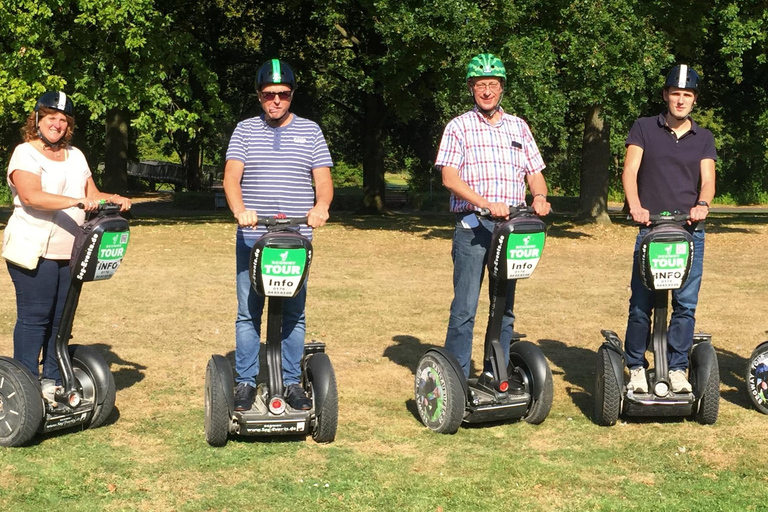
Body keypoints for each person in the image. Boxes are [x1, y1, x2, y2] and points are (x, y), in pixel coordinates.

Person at [3, 91, 131, 402]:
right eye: (51, 118)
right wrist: (74, 201)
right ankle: (26, 386)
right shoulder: (25, 153)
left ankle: (53, 379)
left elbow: (93, 192)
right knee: (36, 317)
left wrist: (113, 199)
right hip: (34, 249)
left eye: (63, 120)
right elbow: (32, 196)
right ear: (37, 119)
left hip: (71, 250)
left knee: (62, 318)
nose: (57, 124)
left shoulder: (75, 155)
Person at [223, 59, 334, 412]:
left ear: (291, 95)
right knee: (248, 313)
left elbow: (324, 182)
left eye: (283, 94)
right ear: (259, 97)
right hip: (253, 239)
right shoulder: (244, 130)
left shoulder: (311, 131)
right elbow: (231, 179)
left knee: (294, 314)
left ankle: (290, 382)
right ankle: (244, 381)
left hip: (296, 240)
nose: (276, 101)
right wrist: (240, 211)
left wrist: (321, 207)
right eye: (269, 94)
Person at [434, 53, 551, 379]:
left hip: (511, 229)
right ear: (472, 87)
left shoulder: (518, 126)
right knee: (465, 309)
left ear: (501, 88)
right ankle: (455, 378)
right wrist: (486, 203)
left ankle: (495, 372)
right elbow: (450, 178)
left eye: (493, 85)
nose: (487, 91)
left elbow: (535, 172)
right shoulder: (459, 127)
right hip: (474, 227)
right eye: (481, 85)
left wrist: (539, 196)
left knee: (504, 307)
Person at [623, 64, 717, 393]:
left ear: (694, 100)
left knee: (685, 304)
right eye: (675, 93)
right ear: (665, 95)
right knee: (641, 304)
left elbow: (708, 182)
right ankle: (635, 365)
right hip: (651, 229)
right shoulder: (644, 128)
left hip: (689, 231)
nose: (680, 100)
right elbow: (630, 172)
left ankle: (677, 368)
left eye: (687, 95)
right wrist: (635, 205)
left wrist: (702, 206)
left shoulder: (703, 137)